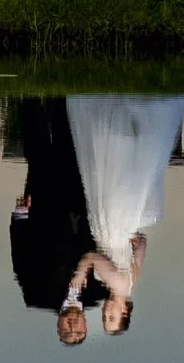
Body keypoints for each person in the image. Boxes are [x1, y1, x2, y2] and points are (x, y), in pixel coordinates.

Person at [60, 93, 184, 337]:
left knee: (120, 167)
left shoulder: (131, 282)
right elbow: (91, 257)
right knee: (112, 165)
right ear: (125, 312)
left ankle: (127, 113)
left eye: (104, 316)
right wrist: (80, 274)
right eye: (111, 316)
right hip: (112, 225)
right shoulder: (119, 285)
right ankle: (120, 111)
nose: (106, 310)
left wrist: (132, 240)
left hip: (120, 226)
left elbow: (141, 244)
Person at [7, 94, 109, 344]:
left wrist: (20, 217)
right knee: (68, 146)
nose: (72, 325)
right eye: (78, 331)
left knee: (38, 152)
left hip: (42, 213)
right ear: (86, 325)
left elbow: (21, 258)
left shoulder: (36, 296)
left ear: (58, 326)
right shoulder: (99, 293)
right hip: (78, 206)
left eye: (67, 331)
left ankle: (28, 93)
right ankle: (58, 96)